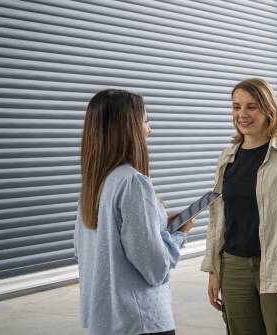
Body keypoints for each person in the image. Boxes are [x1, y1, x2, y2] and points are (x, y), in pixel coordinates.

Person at [201, 78, 277, 335]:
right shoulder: (227, 157)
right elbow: (218, 219)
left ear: (268, 110)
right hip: (234, 267)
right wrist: (213, 269)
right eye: (236, 107)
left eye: (251, 107)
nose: (242, 115)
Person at [74, 89, 195, 335]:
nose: (149, 130)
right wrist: (179, 235)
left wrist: (158, 222)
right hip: (140, 322)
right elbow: (154, 268)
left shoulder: (93, 185)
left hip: (107, 321)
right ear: (128, 128)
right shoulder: (132, 182)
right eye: (146, 121)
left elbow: (87, 251)